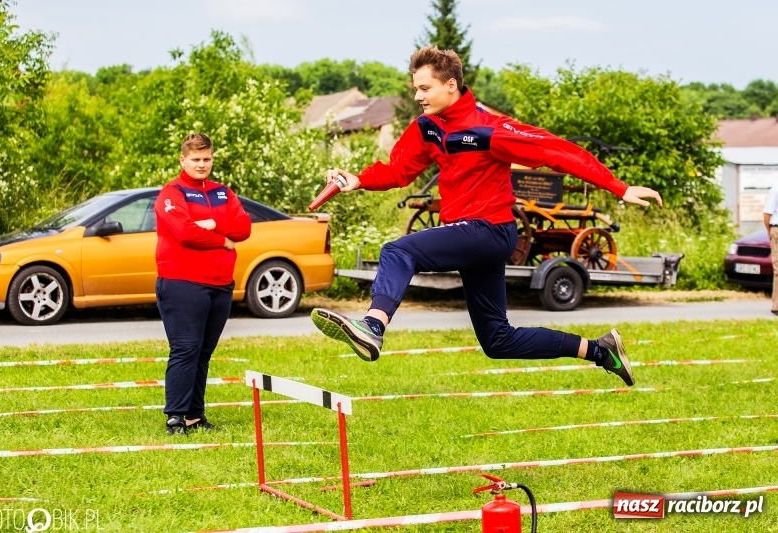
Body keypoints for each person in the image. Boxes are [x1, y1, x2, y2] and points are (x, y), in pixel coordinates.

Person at [311, 47, 662, 386]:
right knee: (498, 340)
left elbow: (555, 151)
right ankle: (600, 351)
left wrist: (618, 187)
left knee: (398, 251)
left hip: (490, 231)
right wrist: (358, 180)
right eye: (415, 88)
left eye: (424, 88)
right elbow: (400, 170)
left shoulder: (489, 129)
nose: (418, 96)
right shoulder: (427, 128)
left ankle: (373, 326)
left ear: (451, 84)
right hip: (473, 236)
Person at [155, 133, 252, 434]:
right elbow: (185, 233)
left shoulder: (223, 192)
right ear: (183, 160)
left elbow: (245, 227)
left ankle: (195, 416)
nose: (201, 164)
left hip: (221, 283)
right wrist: (224, 240)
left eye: (206, 159)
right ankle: (175, 418)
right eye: (195, 159)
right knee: (186, 348)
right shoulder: (172, 193)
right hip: (183, 282)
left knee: (203, 352)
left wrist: (214, 225)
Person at [763, 184, 778, 315]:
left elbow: (766, 215)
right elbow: (767, 215)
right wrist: (770, 231)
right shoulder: (775, 189)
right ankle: (776, 305)